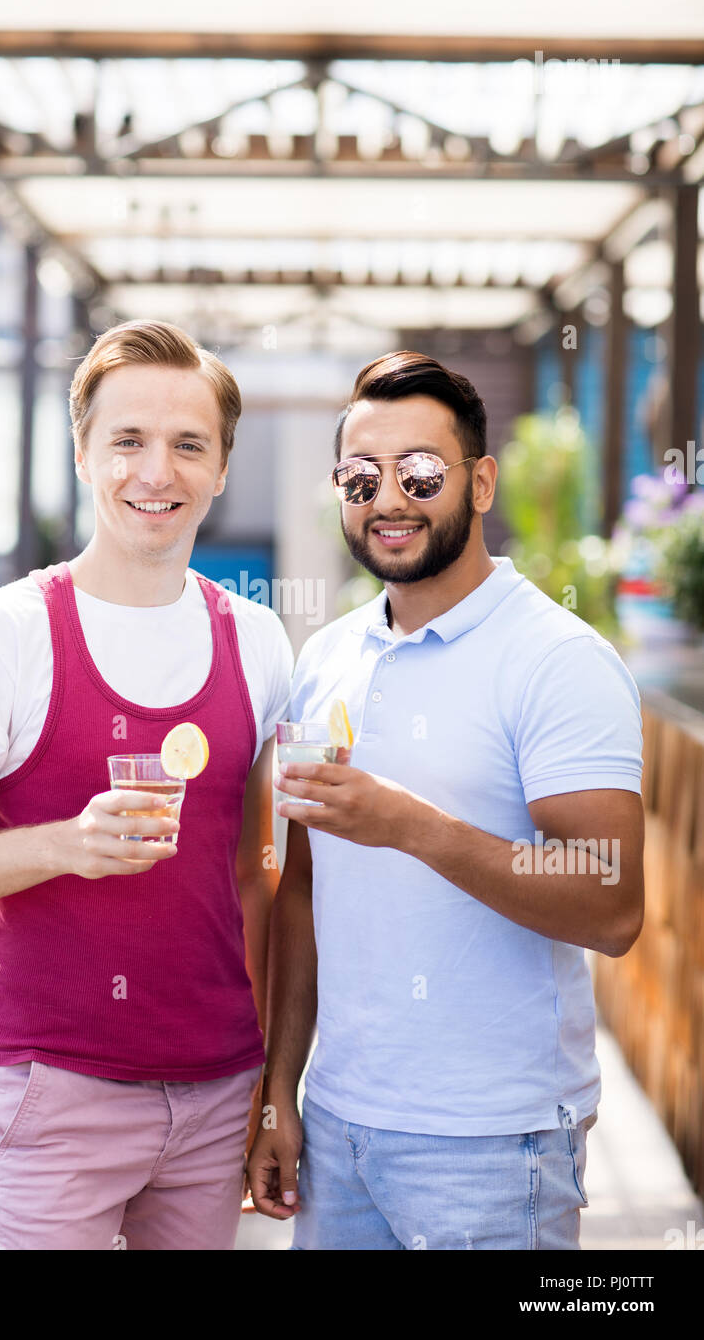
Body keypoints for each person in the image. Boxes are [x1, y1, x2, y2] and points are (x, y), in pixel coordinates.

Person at [0, 319, 293, 1251]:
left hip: (219, 1088)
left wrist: (267, 1085)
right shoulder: (1, 636)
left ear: (222, 467)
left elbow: (258, 875)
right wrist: (65, 843)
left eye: (190, 445)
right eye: (128, 442)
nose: (158, 472)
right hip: (55, 1091)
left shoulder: (259, 642)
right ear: (81, 455)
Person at [248, 350, 644, 1251]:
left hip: (494, 1145)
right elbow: (305, 892)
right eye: (361, 475)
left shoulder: (558, 660)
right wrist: (280, 1091)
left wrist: (411, 827)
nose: (389, 498)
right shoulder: (328, 658)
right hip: (339, 1124)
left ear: (481, 481)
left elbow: (612, 902)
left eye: (421, 472)